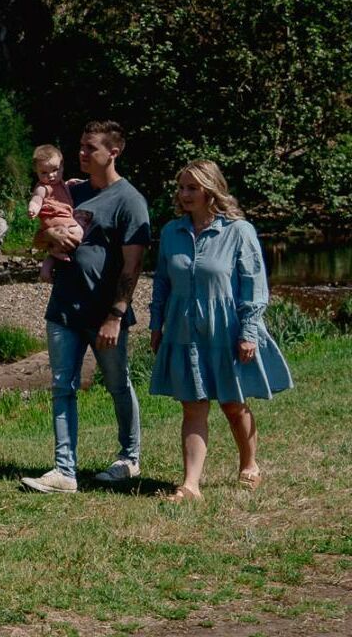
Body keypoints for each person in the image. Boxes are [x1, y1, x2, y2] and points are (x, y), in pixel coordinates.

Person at [149, 160, 292, 502]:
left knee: (232, 403)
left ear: (211, 191)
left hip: (226, 330)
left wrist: (249, 332)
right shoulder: (172, 232)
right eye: (182, 187)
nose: (184, 194)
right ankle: (191, 484)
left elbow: (254, 288)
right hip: (184, 329)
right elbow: (162, 283)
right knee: (192, 406)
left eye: (192, 188)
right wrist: (156, 324)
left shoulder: (238, 231)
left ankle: (249, 464)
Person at [21, 120, 150, 493]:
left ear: (113, 152)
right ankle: (64, 471)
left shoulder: (130, 201)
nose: (80, 154)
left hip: (104, 314)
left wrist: (116, 314)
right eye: (79, 146)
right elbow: (37, 235)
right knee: (62, 387)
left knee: (117, 384)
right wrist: (48, 235)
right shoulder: (69, 191)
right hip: (63, 308)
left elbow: (133, 265)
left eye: (89, 148)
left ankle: (129, 459)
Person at [27, 144, 84, 284]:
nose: (51, 175)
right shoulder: (43, 187)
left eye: (55, 170)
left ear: (62, 166)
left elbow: (61, 189)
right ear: (37, 171)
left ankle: (49, 261)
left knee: (64, 240)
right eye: (44, 173)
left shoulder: (60, 183)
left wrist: (68, 184)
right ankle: (54, 252)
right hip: (54, 219)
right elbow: (37, 198)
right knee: (78, 231)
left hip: (61, 220)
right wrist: (33, 207)